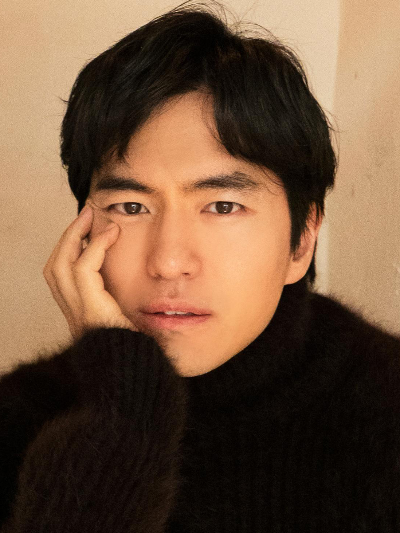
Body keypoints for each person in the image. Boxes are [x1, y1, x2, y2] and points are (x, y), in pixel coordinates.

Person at [1, 1, 399, 531]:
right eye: (131, 207)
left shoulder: (386, 405)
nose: (169, 263)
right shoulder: (19, 416)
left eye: (223, 206)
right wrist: (122, 422)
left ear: (301, 241)